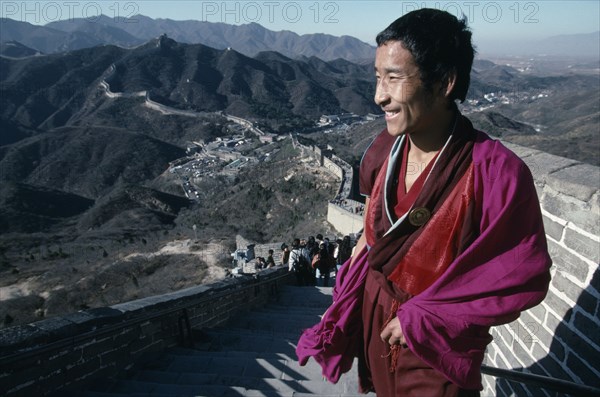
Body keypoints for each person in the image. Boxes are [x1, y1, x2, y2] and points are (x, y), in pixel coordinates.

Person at [296, 8, 552, 397]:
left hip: (437, 342)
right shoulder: (382, 151)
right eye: (378, 77)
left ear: (445, 82)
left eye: (394, 78)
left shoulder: (496, 171)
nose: (379, 95)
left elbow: (520, 271)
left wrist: (426, 316)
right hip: (375, 318)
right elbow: (372, 234)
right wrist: (350, 291)